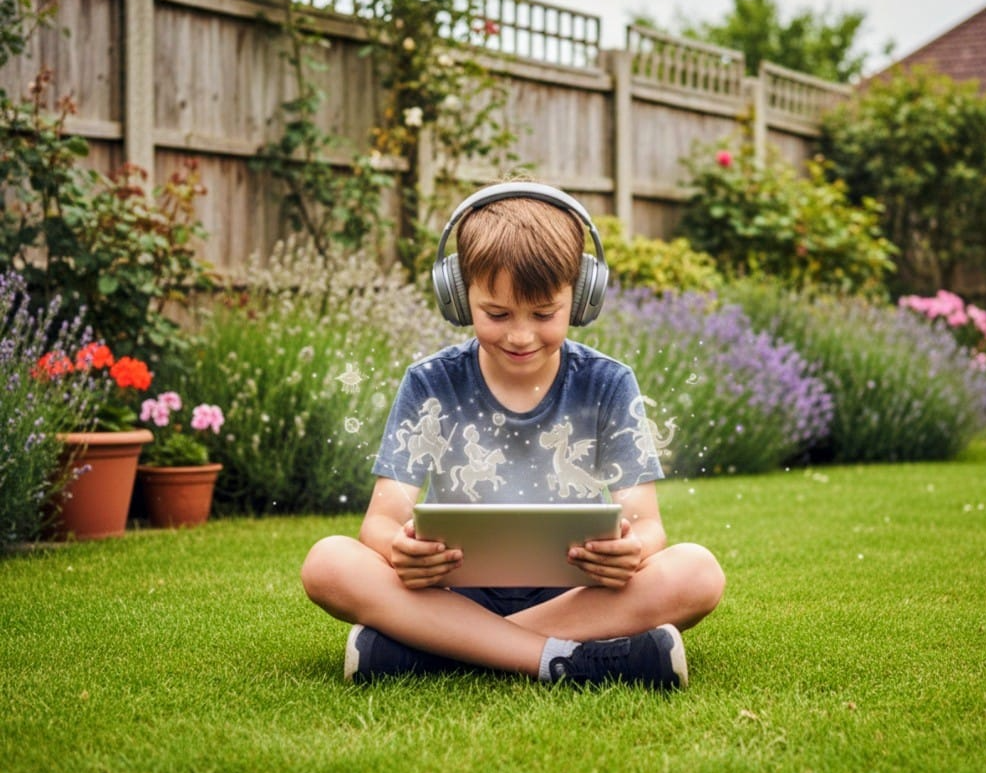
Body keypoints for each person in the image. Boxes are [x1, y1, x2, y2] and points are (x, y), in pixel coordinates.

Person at [301, 181, 725, 688]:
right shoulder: (430, 382)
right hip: (452, 591)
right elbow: (381, 523)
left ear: (581, 298)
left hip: (574, 594)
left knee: (698, 572)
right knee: (328, 562)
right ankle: (567, 659)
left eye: (544, 314)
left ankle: (436, 648)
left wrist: (632, 550)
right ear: (459, 298)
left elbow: (648, 526)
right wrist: (399, 548)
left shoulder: (609, 383)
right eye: (497, 314)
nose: (521, 336)